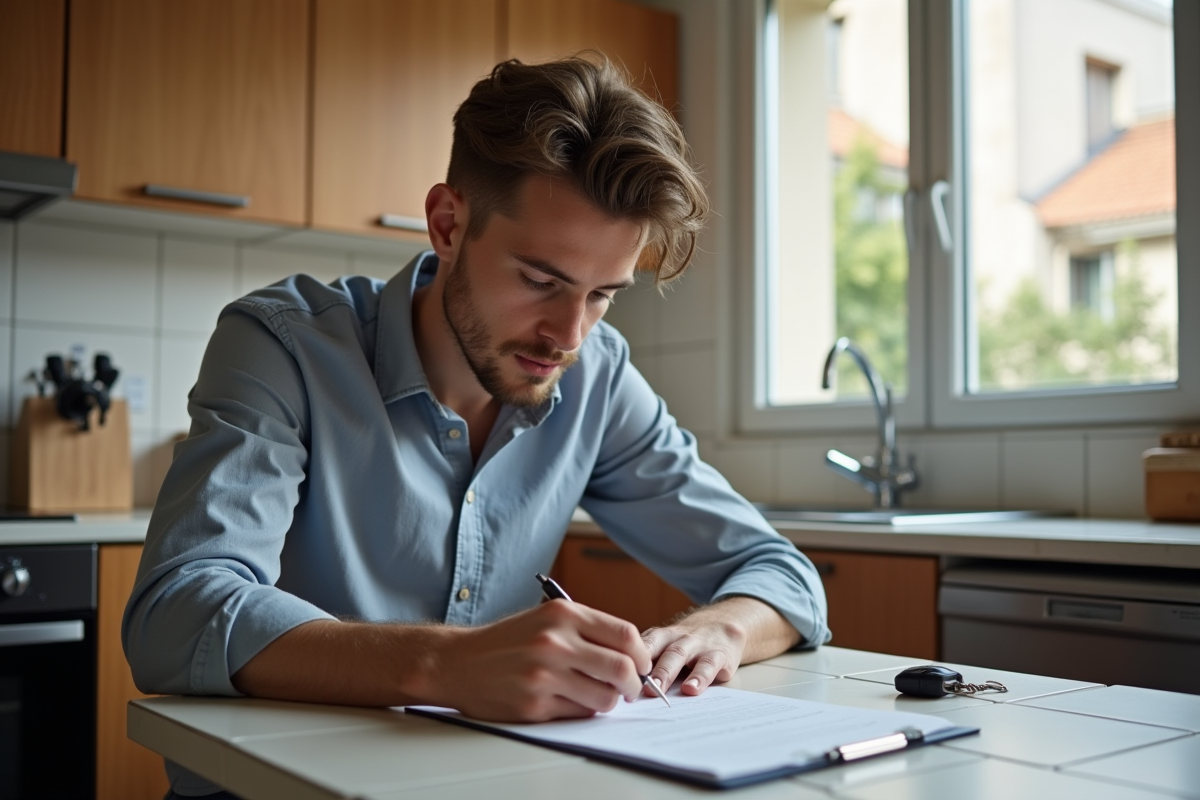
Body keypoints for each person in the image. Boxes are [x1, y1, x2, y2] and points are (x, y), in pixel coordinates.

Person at [125, 56, 829, 798]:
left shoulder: (598, 377)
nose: (568, 334)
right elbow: (177, 615)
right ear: (448, 223)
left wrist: (716, 631)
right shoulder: (285, 346)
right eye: (540, 281)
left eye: (603, 296)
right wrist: (445, 664)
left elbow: (784, 577)